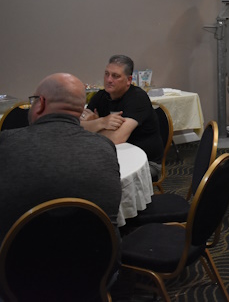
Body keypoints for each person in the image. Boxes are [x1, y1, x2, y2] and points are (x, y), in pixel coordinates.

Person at [0, 73, 121, 239]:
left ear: (40, 103)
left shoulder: (6, 143)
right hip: (99, 259)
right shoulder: (104, 146)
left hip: (16, 261)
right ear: (79, 110)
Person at [81, 55, 163, 177]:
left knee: (100, 178)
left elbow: (117, 139)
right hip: (111, 154)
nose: (109, 80)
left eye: (115, 76)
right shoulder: (101, 96)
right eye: (106, 74)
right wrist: (101, 122)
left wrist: (92, 125)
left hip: (144, 162)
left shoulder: (137, 98)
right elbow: (76, 127)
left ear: (129, 80)